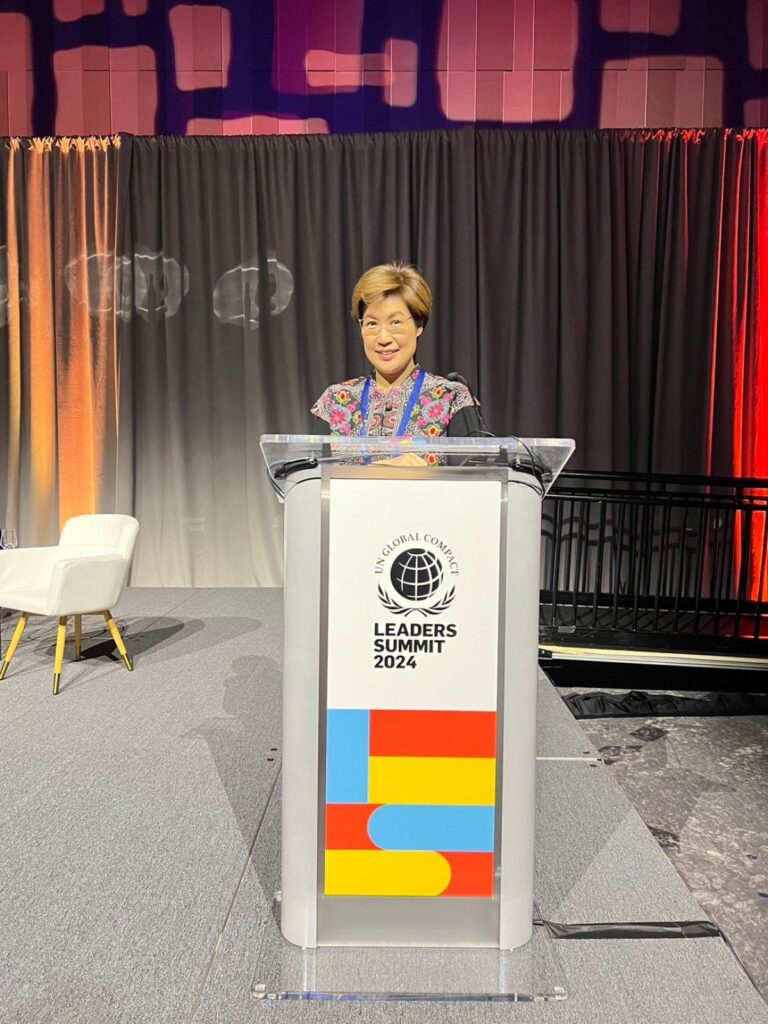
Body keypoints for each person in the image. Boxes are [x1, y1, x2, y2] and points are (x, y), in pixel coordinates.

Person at [311, 262, 483, 441]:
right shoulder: (335, 400)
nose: (383, 338)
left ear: (419, 325)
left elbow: (473, 460)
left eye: (395, 322)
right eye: (372, 324)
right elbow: (312, 459)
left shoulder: (451, 398)